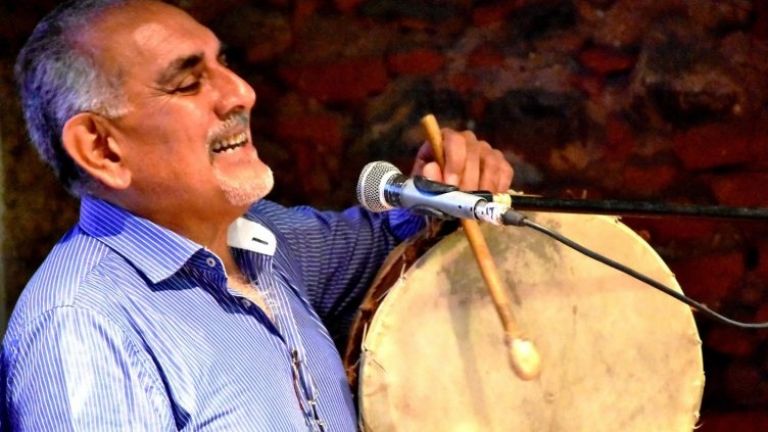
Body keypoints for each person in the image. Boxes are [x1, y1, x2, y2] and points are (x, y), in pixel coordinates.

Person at [1, 0, 514, 430]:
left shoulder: (264, 236)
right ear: (100, 148)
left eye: (224, 64)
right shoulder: (79, 328)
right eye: (188, 83)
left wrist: (443, 188)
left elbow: (392, 243)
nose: (241, 93)